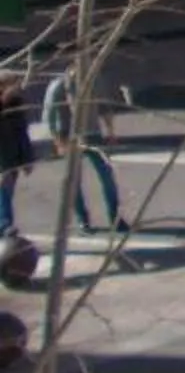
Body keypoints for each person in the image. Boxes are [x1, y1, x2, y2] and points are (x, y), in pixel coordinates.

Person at [39, 60, 123, 237]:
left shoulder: (94, 79)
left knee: (107, 175)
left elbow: (104, 106)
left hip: (92, 133)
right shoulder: (58, 86)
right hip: (69, 136)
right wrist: (58, 141)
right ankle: (82, 219)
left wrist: (110, 131)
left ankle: (115, 217)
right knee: (74, 181)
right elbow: (51, 116)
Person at [0, 76, 33, 241]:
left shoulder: (16, 105)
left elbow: (23, 133)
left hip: (13, 157)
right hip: (3, 160)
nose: (15, 89)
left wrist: (27, 160)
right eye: (10, 85)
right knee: (4, 193)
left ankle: (4, 228)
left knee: (6, 194)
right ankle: (6, 227)